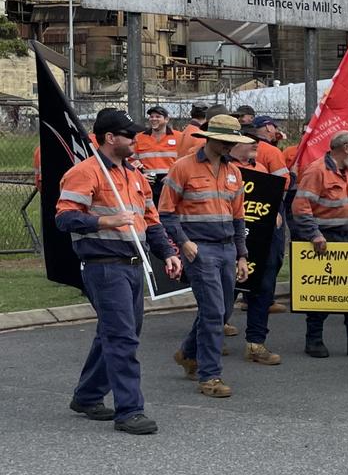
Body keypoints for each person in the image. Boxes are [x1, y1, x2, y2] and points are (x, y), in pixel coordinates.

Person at [56, 109, 182, 434]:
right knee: (122, 338)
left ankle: (87, 396)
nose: (136, 139)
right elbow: (64, 218)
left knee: (116, 334)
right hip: (104, 267)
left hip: (132, 267)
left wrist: (167, 253)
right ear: (110, 138)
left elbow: (152, 222)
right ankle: (130, 411)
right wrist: (102, 221)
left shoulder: (136, 176)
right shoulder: (85, 173)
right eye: (129, 134)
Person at [161, 114, 253, 398]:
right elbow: (166, 212)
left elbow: (239, 217)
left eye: (232, 142)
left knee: (223, 310)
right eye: (225, 141)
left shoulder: (234, 172)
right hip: (200, 249)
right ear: (210, 139)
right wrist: (184, 243)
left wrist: (241, 255)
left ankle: (188, 352)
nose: (229, 146)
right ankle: (209, 375)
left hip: (227, 249)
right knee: (214, 312)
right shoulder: (182, 167)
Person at [292, 131, 348, 359]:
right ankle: (313, 340)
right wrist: (314, 235)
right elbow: (301, 206)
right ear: (345, 147)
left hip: (345, 237)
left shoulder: (347, 172)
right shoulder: (317, 171)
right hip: (324, 239)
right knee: (322, 291)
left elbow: (347, 204)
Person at [227, 127, 286, 365]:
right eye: (250, 142)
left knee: (262, 290)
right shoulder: (224, 170)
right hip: (230, 240)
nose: (256, 145)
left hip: (262, 243)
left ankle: (255, 343)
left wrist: (276, 213)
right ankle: (207, 340)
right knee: (225, 292)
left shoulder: (261, 170)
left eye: (257, 142)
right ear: (234, 144)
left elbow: (271, 201)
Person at [133, 106, 180, 196]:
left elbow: (184, 159)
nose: (153, 119)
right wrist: (140, 175)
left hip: (171, 181)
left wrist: (174, 177)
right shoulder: (139, 138)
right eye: (151, 116)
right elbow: (130, 159)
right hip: (148, 181)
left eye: (158, 116)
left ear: (166, 119)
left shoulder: (178, 136)